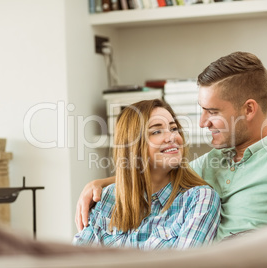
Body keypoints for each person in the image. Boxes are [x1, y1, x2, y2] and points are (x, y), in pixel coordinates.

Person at [75, 52, 267, 242]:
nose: (202, 123)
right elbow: (160, 172)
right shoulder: (216, 159)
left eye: (212, 112)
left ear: (248, 109)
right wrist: (103, 182)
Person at [73, 99, 221, 250]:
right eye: (156, 131)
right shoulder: (106, 198)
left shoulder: (199, 199)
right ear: (132, 146)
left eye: (174, 128)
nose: (172, 137)